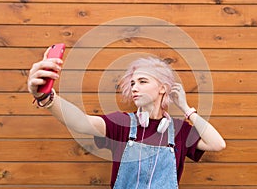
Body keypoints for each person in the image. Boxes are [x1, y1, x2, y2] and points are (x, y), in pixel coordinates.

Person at [28, 47, 226, 189]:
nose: (134, 88)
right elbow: (82, 122)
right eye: (132, 83)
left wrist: (185, 108)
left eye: (142, 81)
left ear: (163, 88)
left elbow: (217, 144)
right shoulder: (122, 124)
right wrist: (47, 97)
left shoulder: (180, 130)